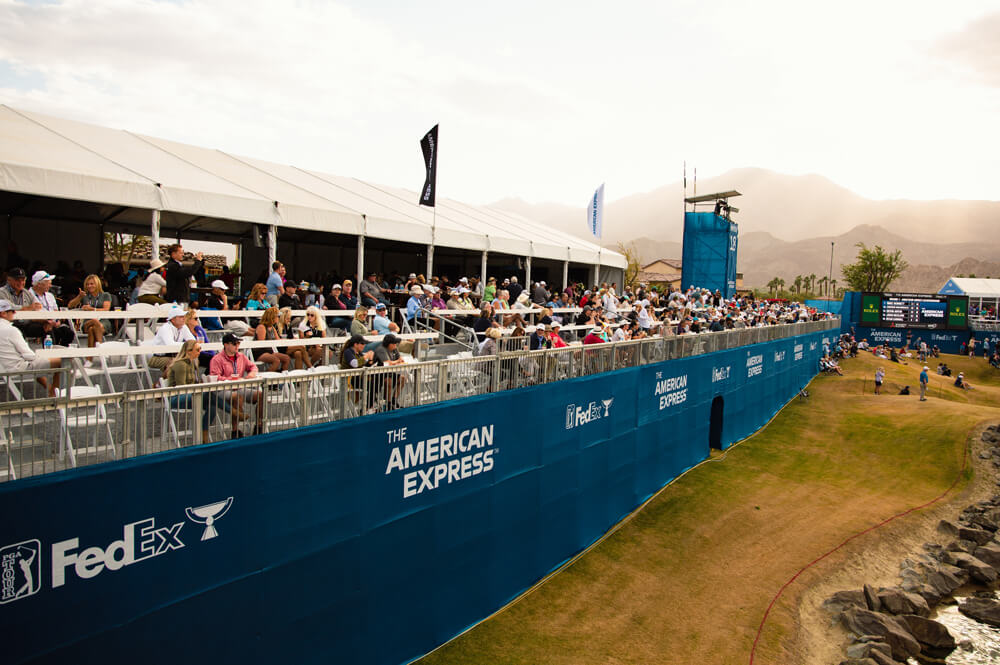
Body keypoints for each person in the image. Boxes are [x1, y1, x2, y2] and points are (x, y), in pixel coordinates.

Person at [0, 301, 62, 396]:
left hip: (4, 367)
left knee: (36, 363)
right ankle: (56, 395)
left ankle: (51, 391)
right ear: (3, 313)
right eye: (12, 311)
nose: (14, 313)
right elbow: (29, 356)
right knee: (60, 362)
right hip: (14, 369)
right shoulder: (11, 330)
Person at [165, 340, 221, 444]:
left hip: (192, 395)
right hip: (176, 397)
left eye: (200, 349)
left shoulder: (193, 363)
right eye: (198, 349)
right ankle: (232, 411)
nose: (200, 352)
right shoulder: (181, 365)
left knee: (212, 404)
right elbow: (182, 387)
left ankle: (204, 433)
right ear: (189, 351)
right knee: (210, 396)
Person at [209, 333, 263, 438]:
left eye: (238, 343)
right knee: (237, 397)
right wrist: (232, 379)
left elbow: (253, 367)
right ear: (226, 345)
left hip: (239, 387)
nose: (237, 346)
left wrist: (252, 373)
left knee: (261, 395)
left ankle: (259, 425)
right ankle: (235, 430)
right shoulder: (216, 359)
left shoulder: (241, 357)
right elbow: (215, 377)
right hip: (223, 389)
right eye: (234, 343)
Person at [67, 274, 113, 355]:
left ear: (97, 284)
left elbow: (106, 310)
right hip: (87, 322)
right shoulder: (85, 296)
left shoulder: (106, 295)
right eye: (87, 284)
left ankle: (89, 358)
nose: (89, 286)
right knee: (94, 322)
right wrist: (79, 297)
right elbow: (70, 305)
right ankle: (102, 352)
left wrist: (91, 309)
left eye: (92, 284)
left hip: (103, 322)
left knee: (93, 329)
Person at [29, 271, 74, 346]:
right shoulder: (28, 295)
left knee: (68, 332)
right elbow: (31, 315)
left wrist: (57, 321)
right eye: (48, 283)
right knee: (48, 329)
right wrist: (47, 321)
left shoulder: (50, 295)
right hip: (38, 323)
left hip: (53, 323)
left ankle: (60, 354)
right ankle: (51, 355)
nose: (50, 285)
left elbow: (56, 311)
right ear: (39, 284)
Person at [148, 306, 196, 374]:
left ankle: (189, 382)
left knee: (190, 360)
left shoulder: (183, 327)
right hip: (157, 358)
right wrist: (187, 345)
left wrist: (189, 344)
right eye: (180, 317)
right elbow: (170, 344)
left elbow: (193, 341)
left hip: (174, 356)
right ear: (173, 320)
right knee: (176, 362)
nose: (184, 318)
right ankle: (166, 383)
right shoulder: (165, 328)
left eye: (184, 316)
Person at [374, 333, 406, 410]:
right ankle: (388, 403)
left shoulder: (394, 349)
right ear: (388, 344)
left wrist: (399, 360)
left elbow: (400, 358)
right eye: (394, 343)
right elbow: (387, 363)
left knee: (402, 379)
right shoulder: (381, 349)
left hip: (390, 373)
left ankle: (394, 400)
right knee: (389, 381)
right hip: (378, 374)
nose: (395, 345)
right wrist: (397, 361)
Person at [254, 307, 291, 372]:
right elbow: (261, 344)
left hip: (269, 351)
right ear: (272, 317)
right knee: (276, 360)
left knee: (286, 358)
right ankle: (267, 379)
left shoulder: (272, 328)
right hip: (260, 352)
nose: (278, 318)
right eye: (277, 316)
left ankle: (281, 376)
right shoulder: (261, 327)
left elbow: (278, 340)